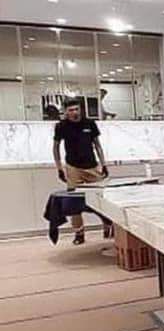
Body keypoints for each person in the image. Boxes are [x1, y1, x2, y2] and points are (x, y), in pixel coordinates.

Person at [53, 98, 109, 245]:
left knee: (102, 200)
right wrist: (59, 168)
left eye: (77, 109)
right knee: (73, 203)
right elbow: (56, 148)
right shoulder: (61, 126)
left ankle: (107, 225)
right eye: (71, 110)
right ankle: (79, 233)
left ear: (81, 110)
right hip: (73, 167)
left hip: (92, 166)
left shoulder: (90, 123)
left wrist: (103, 165)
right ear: (66, 112)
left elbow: (98, 146)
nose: (74, 112)